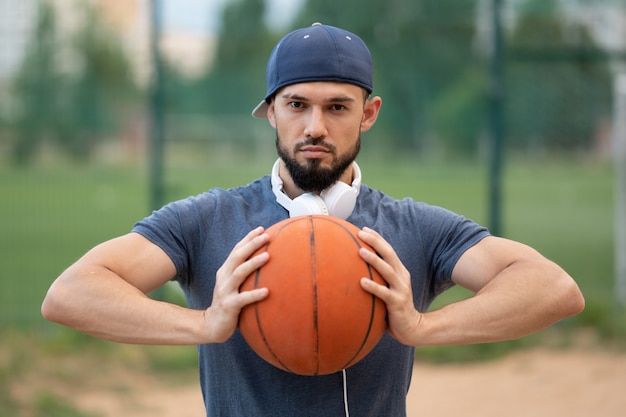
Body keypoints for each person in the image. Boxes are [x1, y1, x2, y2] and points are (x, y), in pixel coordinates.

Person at [41, 23, 584, 416]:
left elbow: (554, 289)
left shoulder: (416, 228)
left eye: (338, 107)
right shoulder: (206, 219)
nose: (315, 126)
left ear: (368, 114)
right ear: (271, 111)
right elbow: (70, 295)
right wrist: (203, 324)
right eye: (297, 105)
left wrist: (423, 327)